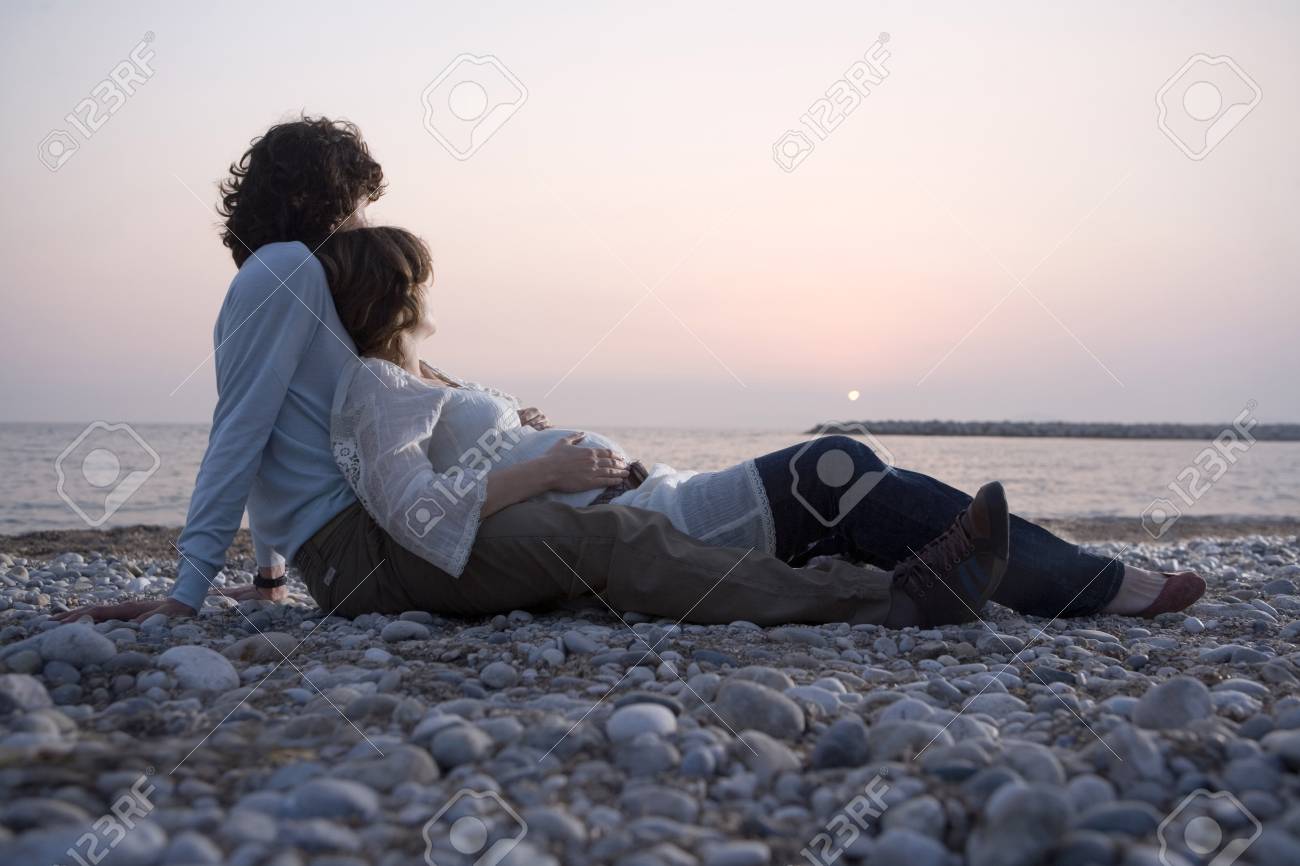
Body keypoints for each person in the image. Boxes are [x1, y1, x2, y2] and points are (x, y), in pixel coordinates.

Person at [53, 116, 1000, 630]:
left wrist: (265, 571)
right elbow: (240, 427)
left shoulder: (292, 287)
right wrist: (186, 590)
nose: (360, 224)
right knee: (612, 545)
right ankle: (893, 601)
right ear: (312, 196)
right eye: (354, 204)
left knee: (607, 548)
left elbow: (290, 431)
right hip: (366, 553)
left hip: (359, 544)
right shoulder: (285, 271)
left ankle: (872, 576)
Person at [295, 225, 1206, 626]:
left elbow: (464, 451)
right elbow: (417, 515)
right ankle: (1088, 583)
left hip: (655, 493)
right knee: (839, 467)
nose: (424, 296)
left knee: (856, 480)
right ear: (395, 295)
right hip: (650, 526)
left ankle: (1028, 575)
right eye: (413, 281)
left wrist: (522, 431)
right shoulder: (373, 386)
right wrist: (542, 469)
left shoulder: (420, 378)